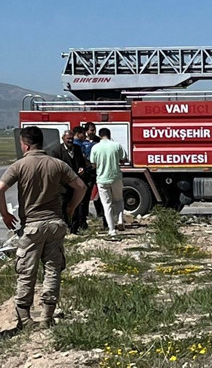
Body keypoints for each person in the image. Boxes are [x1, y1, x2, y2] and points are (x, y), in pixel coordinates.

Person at [0, 126, 86, 329]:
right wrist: (71, 207)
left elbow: (1, 189)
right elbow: (81, 187)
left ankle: (25, 319)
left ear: (26, 144)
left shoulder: (19, 166)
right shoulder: (58, 164)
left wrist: (5, 214)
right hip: (55, 223)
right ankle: (47, 316)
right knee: (53, 269)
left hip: (32, 225)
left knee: (26, 272)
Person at [89, 128, 128, 237]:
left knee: (107, 204)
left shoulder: (95, 147)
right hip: (116, 177)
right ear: (109, 135)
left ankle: (111, 230)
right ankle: (120, 220)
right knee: (119, 199)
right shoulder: (116, 145)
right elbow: (124, 159)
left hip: (102, 179)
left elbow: (93, 163)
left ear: (100, 136)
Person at [51, 130, 89, 233]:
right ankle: (64, 228)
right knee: (63, 206)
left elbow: (81, 162)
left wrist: (82, 168)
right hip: (63, 185)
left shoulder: (77, 149)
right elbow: (55, 169)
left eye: (71, 138)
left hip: (75, 183)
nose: (70, 140)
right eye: (68, 139)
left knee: (75, 205)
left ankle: (74, 229)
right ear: (63, 139)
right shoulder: (57, 151)